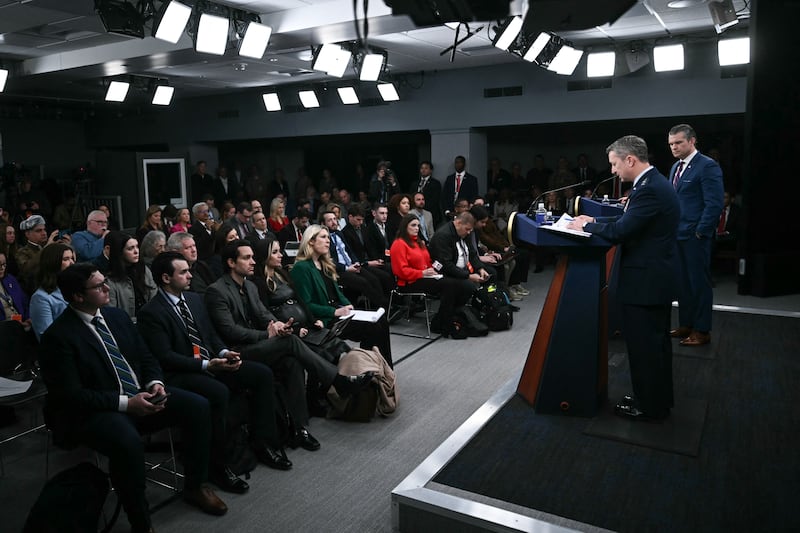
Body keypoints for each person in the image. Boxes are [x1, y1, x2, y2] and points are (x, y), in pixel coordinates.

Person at [39, 263, 228, 533]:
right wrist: (128, 403)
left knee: (198, 406)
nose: (107, 288)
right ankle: (140, 521)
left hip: (140, 395)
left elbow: (145, 357)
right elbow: (72, 396)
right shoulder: (59, 337)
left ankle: (196, 485)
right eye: (98, 286)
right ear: (78, 297)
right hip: (99, 411)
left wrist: (155, 383)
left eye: (105, 281)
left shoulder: (116, 317)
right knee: (126, 442)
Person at [138, 252, 293, 487]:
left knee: (261, 374)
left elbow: (210, 336)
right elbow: (165, 357)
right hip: (181, 373)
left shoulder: (193, 299)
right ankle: (219, 465)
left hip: (211, 362)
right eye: (183, 272)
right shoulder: (152, 312)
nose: (191, 275)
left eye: (189, 270)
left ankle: (264, 443)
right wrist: (206, 364)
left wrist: (223, 353)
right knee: (218, 391)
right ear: (166, 278)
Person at [205, 240, 375, 443]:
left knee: (292, 362)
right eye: (246, 258)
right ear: (231, 263)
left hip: (259, 345)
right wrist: (266, 334)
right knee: (291, 342)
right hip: (237, 352)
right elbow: (229, 330)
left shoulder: (249, 286)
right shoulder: (216, 291)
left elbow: (263, 314)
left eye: (252, 257)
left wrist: (278, 325)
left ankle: (299, 428)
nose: (253, 262)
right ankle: (338, 381)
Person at [568, 135, 679, 421]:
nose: (614, 170)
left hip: (646, 282)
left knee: (646, 347)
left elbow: (622, 231)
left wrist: (590, 224)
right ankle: (655, 398)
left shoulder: (649, 189)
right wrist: (589, 222)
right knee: (654, 345)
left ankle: (650, 408)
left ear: (630, 159)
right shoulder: (650, 184)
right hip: (653, 279)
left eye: (615, 164)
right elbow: (626, 222)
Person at [291, 225, 393, 366]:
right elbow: (306, 305)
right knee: (373, 327)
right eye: (323, 237)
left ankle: (384, 369)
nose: (328, 241)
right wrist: (335, 311)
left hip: (339, 313)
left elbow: (337, 293)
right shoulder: (302, 268)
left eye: (328, 237)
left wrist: (347, 304)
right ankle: (371, 369)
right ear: (311, 241)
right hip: (325, 319)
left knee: (381, 321)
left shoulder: (324, 263)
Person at [667, 124, 724, 347]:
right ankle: (686, 324)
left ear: (692, 141)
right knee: (682, 284)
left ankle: (702, 330)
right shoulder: (675, 168)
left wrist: (701, 231)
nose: (674, 147)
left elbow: (715, 204)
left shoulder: (707, 166)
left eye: (678, 143)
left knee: (699, 284)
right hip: (676, 235)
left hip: (695, 236)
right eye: (671, 144)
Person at [390, 214, 474, 338]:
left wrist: (434, 270)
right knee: (449, 285)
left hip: (426, 277)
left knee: (457, 284)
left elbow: (429, 262)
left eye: (418, 225)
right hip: (409, 282)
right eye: (413, 225)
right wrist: (422, 273)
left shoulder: (419, 243)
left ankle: (442, 319)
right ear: (404, 227)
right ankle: (445, 322)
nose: (416, 228)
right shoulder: (399, 244)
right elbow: (400, 271)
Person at [105, 231, 157, 319]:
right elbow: (112, 312)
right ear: (120, 252)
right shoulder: (110, 280)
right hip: (127, 324)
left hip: (150, 319)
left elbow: (154, 295)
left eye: (137, 247)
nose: (136, 251)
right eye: (130, 248)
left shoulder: (144, 270)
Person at [429, 212, 489, 286]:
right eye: (467, 229)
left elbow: (472, 254)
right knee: (468, 286)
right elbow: (446, 264)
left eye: (470, 230)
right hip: (447, 273)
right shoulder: (443, 236)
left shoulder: (465, 233)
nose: (468, 232)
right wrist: (468, 276)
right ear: (458, 223)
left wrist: (480, 268)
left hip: (464, 268)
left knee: (491, 272)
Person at [29, 243, 74, 340]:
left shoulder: (75, 289)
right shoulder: (40, 298)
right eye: (66, 259)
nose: (72, 263)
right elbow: (46, 337)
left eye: (72, 258)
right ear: (53, 263)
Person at [0, 251, 30, 327]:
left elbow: (25, 302)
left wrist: (28, 318)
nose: (2, 268)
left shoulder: (10, 279)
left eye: (4, 264)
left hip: (22, 323)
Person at [409, 161, 442, 227]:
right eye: (422, 168)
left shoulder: (435, 183)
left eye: (426, 168)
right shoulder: (415, 183)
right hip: (415, 213)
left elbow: (434, 200)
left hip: (430, 213)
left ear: (430, 170)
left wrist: (422, 208)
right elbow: (410, 197)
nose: (423, 170)